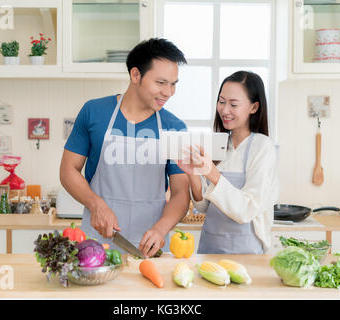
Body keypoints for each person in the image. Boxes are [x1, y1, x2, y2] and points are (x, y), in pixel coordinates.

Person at [60, 38, 190, 258]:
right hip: (98, 240)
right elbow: (67, 170)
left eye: (174, 84)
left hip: (151, 245)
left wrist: (161, 229)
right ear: (135, 75)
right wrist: (95, 204)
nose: (169, 92)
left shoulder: (174, 127)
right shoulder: (94, 112)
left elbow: (180, 194)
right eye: (161, 82)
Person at [177, 71, 278, 254]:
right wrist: (192, 173)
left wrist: (212, 174)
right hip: (210, 250)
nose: (224, 110)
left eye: (233, 104)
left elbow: (247, 210)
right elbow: (204, 207)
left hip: (246, 252)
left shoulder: (262, 147)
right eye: (221, 102)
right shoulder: (219, 144)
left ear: (254, 108)